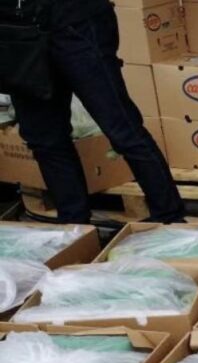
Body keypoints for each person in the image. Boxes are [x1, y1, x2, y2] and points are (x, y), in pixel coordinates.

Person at [5, 0, 185, 224]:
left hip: (77, 22)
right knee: (45, 139)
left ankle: (170, 218)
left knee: (121, 128)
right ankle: (75, 227)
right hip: (18, 30)